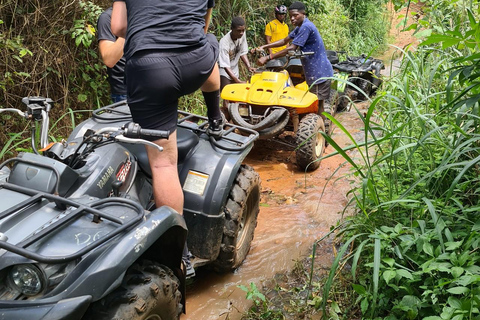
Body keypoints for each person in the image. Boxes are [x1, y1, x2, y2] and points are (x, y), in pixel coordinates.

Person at [111, 0, 224, 278]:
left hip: (150, 67)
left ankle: (181, 253)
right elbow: (203, 25)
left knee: (163, 165)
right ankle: (215, 115)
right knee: (208, 41)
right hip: (195, 61)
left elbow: (119, 27)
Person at [255, 1, 333, 129]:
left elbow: (291, 48)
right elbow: (285, 40)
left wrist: (268, 57)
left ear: (303, 14)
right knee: (316, 104)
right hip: (313, 71)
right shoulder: (299, 26)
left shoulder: (306, 27)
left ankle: (320, 135)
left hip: (319, 72)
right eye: (290, 15)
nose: (292, 18)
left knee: (318, 105)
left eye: (295, 15)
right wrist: (265, 46)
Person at [218, 17, 256, 117]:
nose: (241, 33)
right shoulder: (224, 43)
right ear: (232, 29)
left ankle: (235, 121)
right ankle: (225, 122)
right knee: (227, 98)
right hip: (224, 71)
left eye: (243, 30)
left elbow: (243, 52)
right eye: (238, 31)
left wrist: (248, 66)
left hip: (234, 69)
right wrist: (237, 80)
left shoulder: (242, 36)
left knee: (236, 98)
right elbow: (225, 65)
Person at [97, 7, 127, 103]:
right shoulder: (108, 18)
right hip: (125, 92)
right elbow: (109, 59)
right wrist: (132, 25)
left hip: (155, 87)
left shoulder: (150, 15)